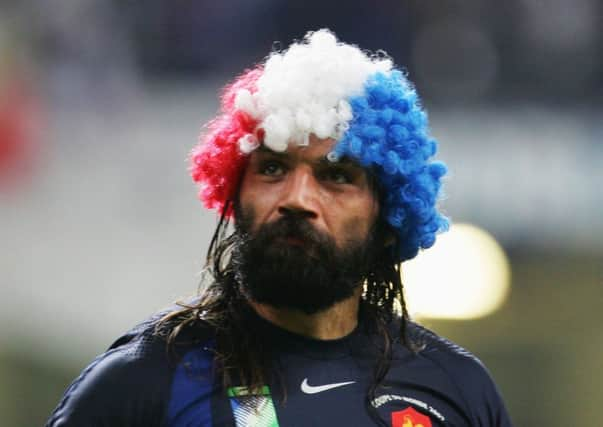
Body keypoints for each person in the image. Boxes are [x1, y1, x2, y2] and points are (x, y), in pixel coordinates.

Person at [46, 29, 513, 427]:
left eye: (336, 176)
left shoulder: (456, 389)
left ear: (387, 216)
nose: (296, 199)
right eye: (272, 169)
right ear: (235, 192)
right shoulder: (144, 382)